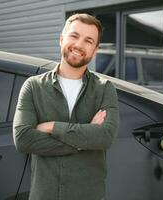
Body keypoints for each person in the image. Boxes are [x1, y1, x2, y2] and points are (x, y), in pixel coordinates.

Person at [13, 13, 119, 200]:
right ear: (62, 39)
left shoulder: (104, 89)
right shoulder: (33, 86)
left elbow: (105, 137)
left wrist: (53, 126)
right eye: (74, 36)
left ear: (95, 50)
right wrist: (84, 140)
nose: (79, 45)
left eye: (88, 40)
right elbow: (23, 139)